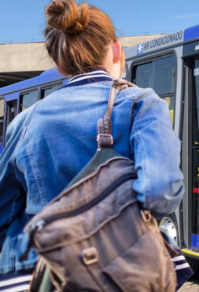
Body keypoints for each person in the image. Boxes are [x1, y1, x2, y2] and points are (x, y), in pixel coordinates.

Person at [0, 0, 184, 290]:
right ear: (116, 50)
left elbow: (4, 209)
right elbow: (159, 192)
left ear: (59, 65)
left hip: (36, 274)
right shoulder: (142, 105)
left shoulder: (24, 122)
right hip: (120, 275)